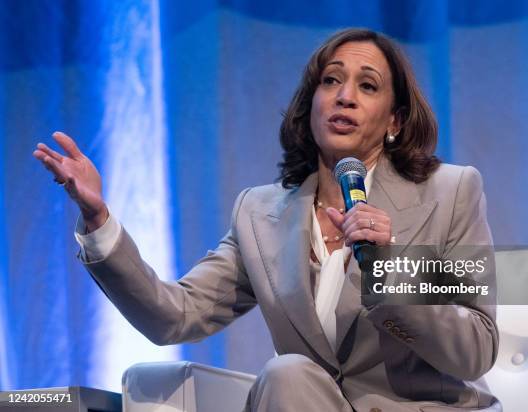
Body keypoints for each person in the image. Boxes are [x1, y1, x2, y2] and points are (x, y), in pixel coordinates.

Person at [33, 28, 500, 411]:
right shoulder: (260, 215)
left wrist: (389, 270)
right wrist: (98, 219)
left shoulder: (448, 193)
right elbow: (173, 318)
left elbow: (475, 350)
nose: (345, 97)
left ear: (394, 120)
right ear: (311, 103)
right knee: (288, 372)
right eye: (331, 81)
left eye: (368, 85)